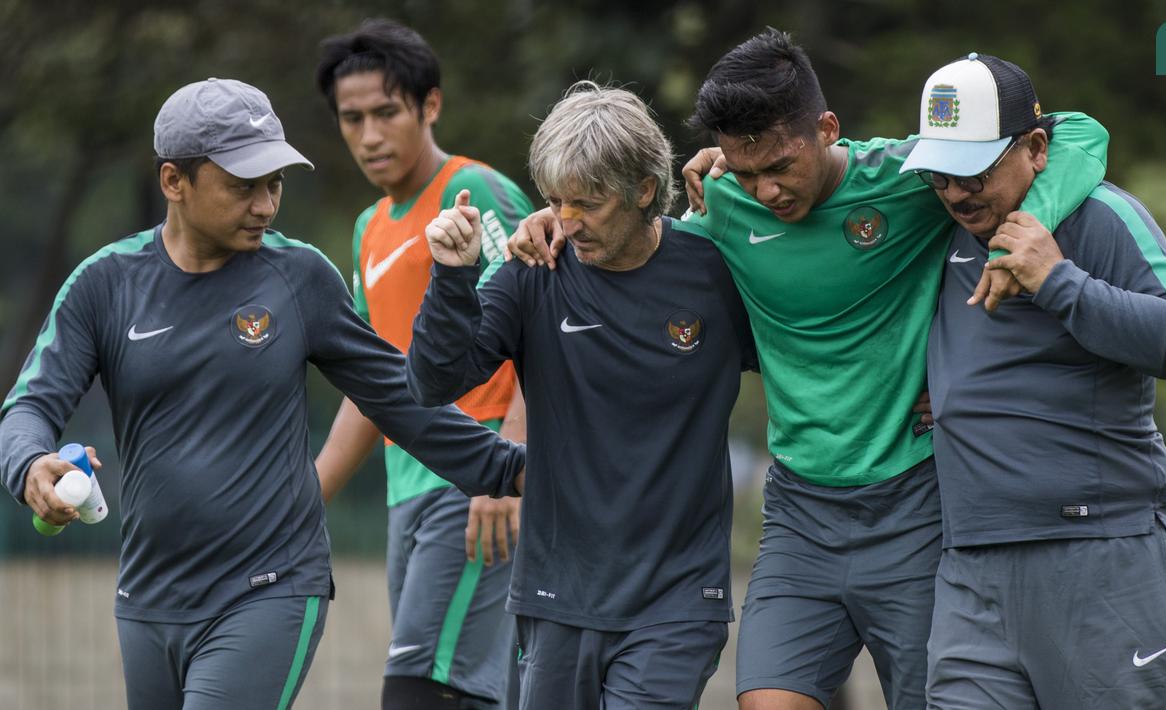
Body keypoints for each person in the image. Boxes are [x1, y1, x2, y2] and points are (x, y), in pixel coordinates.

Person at [507, 29, 1108, 710]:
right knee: (765, 700)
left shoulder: (910, 179)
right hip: (797, 515)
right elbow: (640, 254)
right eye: (744, 167)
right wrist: (559, 216)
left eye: (782, 166)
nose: (765, 190)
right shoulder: (720, 205)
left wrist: (1017, 236)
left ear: (826, 129)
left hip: (914, 504)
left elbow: (1078, 133)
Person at [0, 77, 525, 710]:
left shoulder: (300, 277)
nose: (265, 204)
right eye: (242, 186)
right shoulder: (103, 284)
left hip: (269, 588)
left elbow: (401, 401)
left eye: (274, 182)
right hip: (147, 600)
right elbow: (31, 404)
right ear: (175, 182)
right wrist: (30, 464)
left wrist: (520, 472)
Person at [405, 81, 759, 709]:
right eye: (556, 202)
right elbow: (434, 381)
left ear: (644, 191)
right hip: (556, 594)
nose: (567, 222)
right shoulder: (531, 270)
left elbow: (807, 349)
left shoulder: (716, 268)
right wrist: (453, 277)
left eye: (587, 204)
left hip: (677, 600)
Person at [904, 53, 1166, 709]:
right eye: (939, 172)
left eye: (974, 170)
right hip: (969, 566)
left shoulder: (1102, 217)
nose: (956, 191)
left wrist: (1058, 281)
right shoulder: (938, 228)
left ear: (1036, 148)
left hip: (1101, 558)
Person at [313, 20, 534, 709]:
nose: (369, 135)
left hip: (475, 488)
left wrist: (508, 472)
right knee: (467, 690)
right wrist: (297, 503)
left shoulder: (475, 192)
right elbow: (370, 384)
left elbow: (541, 340)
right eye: (352, 119)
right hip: (405, 496)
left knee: (417, 689)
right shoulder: (368, 226)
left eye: (386, 112)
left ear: (428, 105)